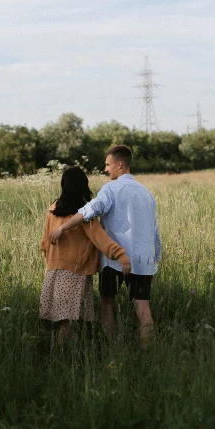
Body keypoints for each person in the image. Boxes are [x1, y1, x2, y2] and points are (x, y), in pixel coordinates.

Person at [48, 145, 161, 346]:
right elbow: (154, 230)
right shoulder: (146, 193)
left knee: (107, 304)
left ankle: (113, 349)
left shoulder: (111, 188)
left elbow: (89, 211)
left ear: (119, 165)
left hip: (114, 261)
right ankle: (148, 355)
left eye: (108, 165)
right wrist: (155, 261)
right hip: (143, 259)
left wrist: (62, 228)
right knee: (143, 308)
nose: (106, 169)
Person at [40, 165, 131, 343]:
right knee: (69, 323)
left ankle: (65, 356)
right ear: (83, 185)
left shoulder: (53, 208)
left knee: (63, 322)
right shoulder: (83, 214)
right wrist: (120, 254)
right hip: (75, 273)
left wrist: (50, 265)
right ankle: (67, 359)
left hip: (53, 271)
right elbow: (100, 239)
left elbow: (44, 244)